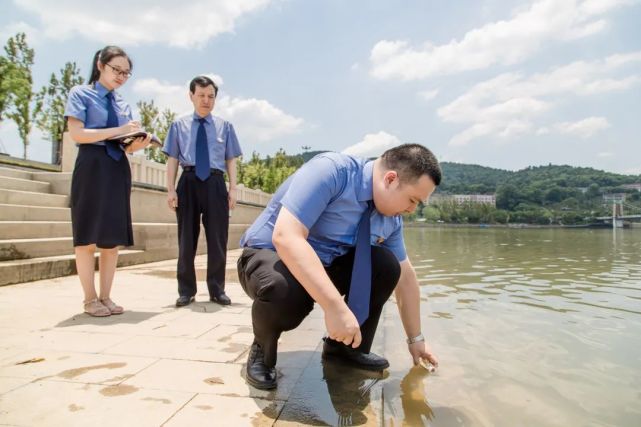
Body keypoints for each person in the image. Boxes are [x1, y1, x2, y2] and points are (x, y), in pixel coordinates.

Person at [237, 143, 441, 390]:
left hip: (326, 263)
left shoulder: (391, 219)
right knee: (284, 290)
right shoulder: (331, 172)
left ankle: (344, 350)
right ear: (390, 179)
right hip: (269, 257)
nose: (411, 210)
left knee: (386, 266)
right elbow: (286, 237)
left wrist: (416, 339)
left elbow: (406, 279)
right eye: (412, 200)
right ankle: (262, 351)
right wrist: (334, 307)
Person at [65, 46, 151, 317]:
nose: (121, 76)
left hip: (117, 168)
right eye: (117, 70)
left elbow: (124, 145)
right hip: (91, 166)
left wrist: (139, 141)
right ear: (101, 64)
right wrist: (118, 130)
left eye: (126, 73)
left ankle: (106, 296)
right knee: (87, 237)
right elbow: (77, 134)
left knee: (111, 240)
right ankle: (89, 299)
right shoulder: (81, 93)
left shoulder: (122, 103)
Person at [163, 76, 242, 307]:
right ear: (191, 96)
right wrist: (170, 190)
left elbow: (230, 159)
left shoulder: (225, 127)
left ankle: (217, 290)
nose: (206, 100)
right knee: (186, 238)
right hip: (188, 181)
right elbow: (173, 159)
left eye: (211, 96)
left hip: (216, 184)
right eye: (201, 95)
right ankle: (186, 290)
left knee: (218, 238)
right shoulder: (179, 125)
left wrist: (233, 188)